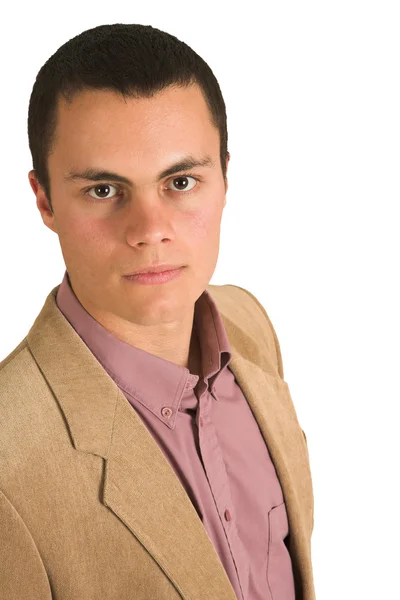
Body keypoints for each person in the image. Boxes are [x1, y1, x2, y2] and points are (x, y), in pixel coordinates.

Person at [0, 23, 315, 600]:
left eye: (180, 180)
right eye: (103, 190)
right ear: (44, 200)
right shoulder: (8, 465)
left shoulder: (249, 327)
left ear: (224, 176)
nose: (150, 231)